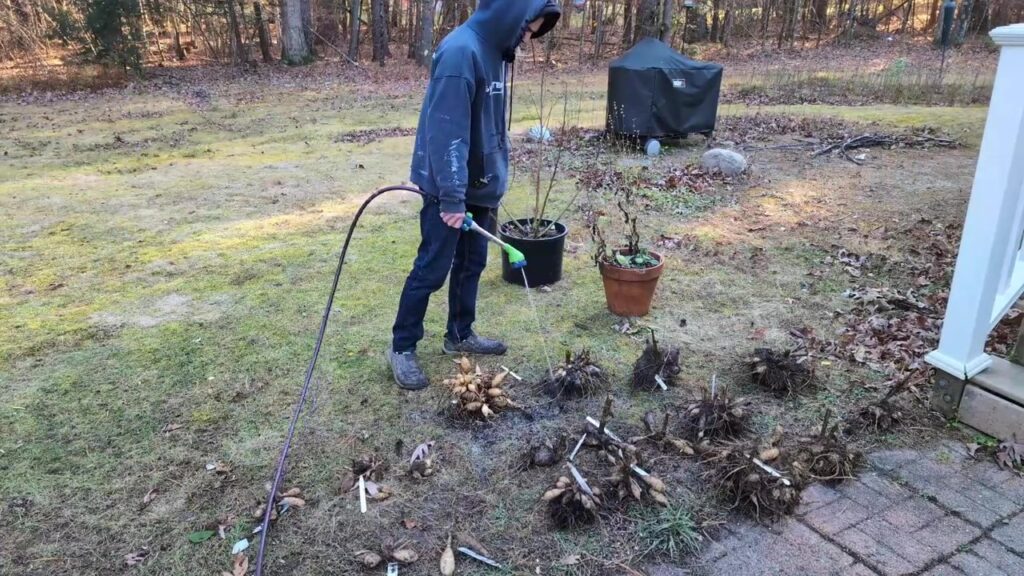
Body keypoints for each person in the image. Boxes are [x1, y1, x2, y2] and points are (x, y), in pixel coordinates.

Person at [388, 0, 561, 390]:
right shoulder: (460, 52)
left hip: (480, 186)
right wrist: (450, 197)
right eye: (528, 28)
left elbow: (488, 124)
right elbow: (446, 130)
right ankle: (402, 347)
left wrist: (494, 178)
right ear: (511, 13)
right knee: (432, 268)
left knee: (472, 265)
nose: (529, 37)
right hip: (449, 189)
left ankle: (460, 334)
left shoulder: (496, 52)